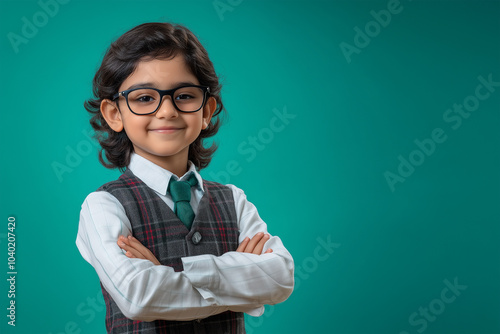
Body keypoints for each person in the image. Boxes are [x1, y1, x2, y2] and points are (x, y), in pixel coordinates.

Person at [76, 22, 294, 334]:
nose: (166, 111)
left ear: (206, 110)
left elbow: (279, 277)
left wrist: (165, 273)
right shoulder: (103, 206)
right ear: (114, 114)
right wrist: (240, 285)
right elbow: (138, 296)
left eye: (184, 95)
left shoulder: (235, 200)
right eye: (144, 98)